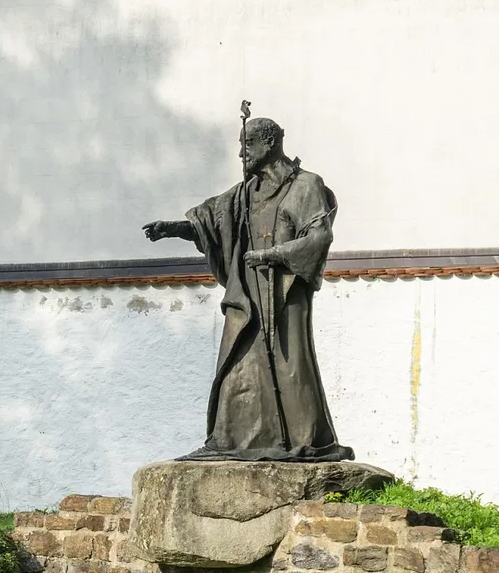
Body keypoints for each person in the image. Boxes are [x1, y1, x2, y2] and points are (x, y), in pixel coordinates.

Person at [143, 104, 353, 461]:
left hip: (287, 290)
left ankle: (302, 439)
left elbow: (319, 237)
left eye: (247, 144)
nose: (242, 153)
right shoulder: (247, 192)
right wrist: (175, 228)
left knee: (291, 364)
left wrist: (270, 255)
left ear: (269, 142)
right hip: (249, 293)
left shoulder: (306, 186)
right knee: (237, 363)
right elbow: (214, 220)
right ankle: (230, 440)